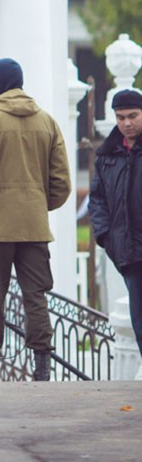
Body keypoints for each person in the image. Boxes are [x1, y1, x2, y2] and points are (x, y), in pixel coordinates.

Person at [0, 57, 72, 382]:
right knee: (35, 296)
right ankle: (42, 368)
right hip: (34, 227)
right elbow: (63, 183)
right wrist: (37, 204)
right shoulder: (47, 122)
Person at [89, 86, 142, 358]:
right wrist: (105, 237)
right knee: (139, 322)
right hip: (128, 252)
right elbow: (96, 199)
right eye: (120, 117)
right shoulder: (107, 154)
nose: (126, 123)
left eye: (132, 115)